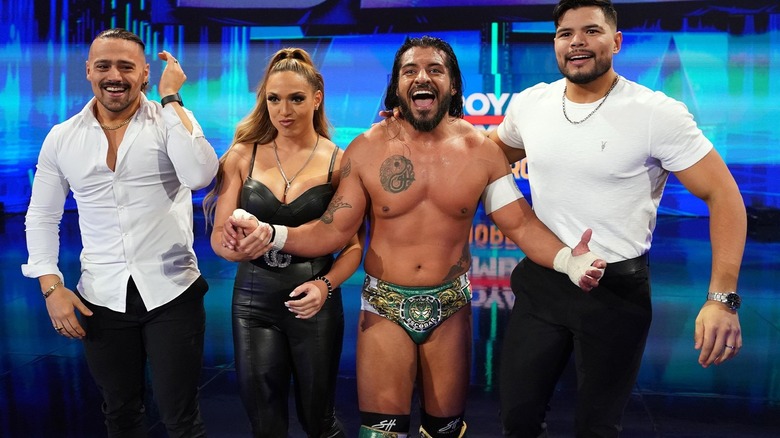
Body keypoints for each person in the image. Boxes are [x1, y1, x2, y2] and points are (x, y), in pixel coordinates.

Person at [221, 36, 605, 438]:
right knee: (381, 433)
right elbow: (332, 230)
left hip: (450, 306)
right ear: (397, 85)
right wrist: (272, 233)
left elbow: (521, 224)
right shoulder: (367, 149)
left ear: (453, 84)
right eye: (410, 71)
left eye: (434, 70)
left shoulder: (481, 152)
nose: (422, 77)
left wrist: (569, 261)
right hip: (385, 306)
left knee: (444, 431)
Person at [486, 1, 747, 436]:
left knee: (598, 427)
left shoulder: (655, 113)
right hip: (544, 280)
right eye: (565, 34)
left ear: (617, 41)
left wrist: (722, 299)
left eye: (591, 31)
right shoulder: (531, 104)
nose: (577, 42)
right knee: (517, 419)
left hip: (616, 292)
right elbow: (485, 158)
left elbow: (724, 196)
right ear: (555, 43)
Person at [21, 28, 218, 437]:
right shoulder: (62, 137)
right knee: (120, 414)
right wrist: (51, 286)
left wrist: (171, 98)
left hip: (173, 292)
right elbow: (42, 214)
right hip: (101, 298)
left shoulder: (169, 120)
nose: (115, 75)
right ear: (88, 71)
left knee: (182, 419)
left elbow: (200, 174)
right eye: (105, 65)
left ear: (145, 74)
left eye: (126, 67)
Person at [203, 48, 362, 438]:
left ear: (317, 99)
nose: (283, 110)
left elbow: (353, 247)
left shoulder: (340, 162)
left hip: (315, 303)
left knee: (318, 421)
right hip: (253, 302)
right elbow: (219, 239)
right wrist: (237, 247)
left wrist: (324, 287)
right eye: (273, 99)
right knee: (265, 422)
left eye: (296, 99)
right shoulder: (242, 155)